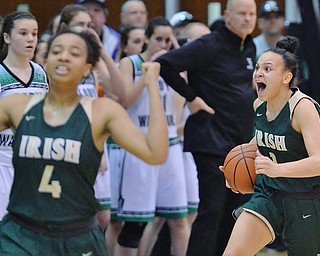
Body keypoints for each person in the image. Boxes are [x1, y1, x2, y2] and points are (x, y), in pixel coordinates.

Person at [0, 29, 168, 255]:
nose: (64, 57)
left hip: (77, 237)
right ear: (45, 61)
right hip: (23, 235)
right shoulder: (18, 106)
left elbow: (155, 153)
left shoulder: (101, 111)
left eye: (74, 53)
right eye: (57, 51)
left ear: (87, 69)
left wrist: (151, 85)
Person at [155, 0, 257, 255]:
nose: (247, 19)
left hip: (240, 144)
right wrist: (191, 97)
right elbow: (165, 64)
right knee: (211, 212)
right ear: (227, 16)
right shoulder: (209, 44)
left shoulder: (250, 46)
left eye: (251, 14)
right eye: (242, 14)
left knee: (236, 213)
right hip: (211, 139)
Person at [222, 35, 320, 256]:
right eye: (257, 67)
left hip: (306, 200)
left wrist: (278, 170)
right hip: (269, 195)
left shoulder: (302, 109)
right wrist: (235, 164)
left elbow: (319, 161)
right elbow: (262, 141)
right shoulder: (259, 104)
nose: (258, 73)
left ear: (287, 77)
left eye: (267, 69)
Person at [0, 11, 49, 221]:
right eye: (23, 33)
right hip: (4, 161)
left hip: (35, 164)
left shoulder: (41, 73)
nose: (31, 39)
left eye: (35, 33)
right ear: (7, 37)